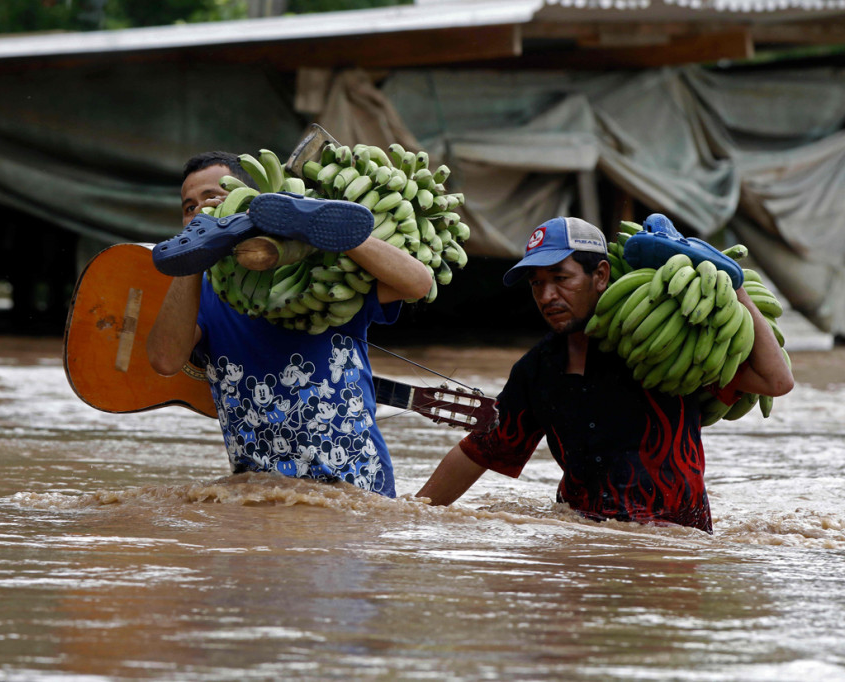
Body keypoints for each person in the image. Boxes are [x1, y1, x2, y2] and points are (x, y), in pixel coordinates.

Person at [415, 216, 794, 532]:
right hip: (586, 542)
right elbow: (479, 452)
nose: (547, 296)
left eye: (561, 278)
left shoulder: (662, 345)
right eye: (537, 284)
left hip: (675, 546)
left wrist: (735, 288)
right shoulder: (536, 370)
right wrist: (409, 517)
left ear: (600, 275)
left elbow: (775, 381)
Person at [146, 151, 433, 497]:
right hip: (259, 495)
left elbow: (418, 284)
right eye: (189, 207)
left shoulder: (320, 275)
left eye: (213, 198)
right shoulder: (201, 294)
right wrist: (191, 256)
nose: (200, 211)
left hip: (355, 485)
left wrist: (331, 232)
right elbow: (165, 360)